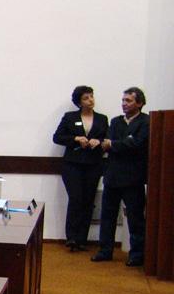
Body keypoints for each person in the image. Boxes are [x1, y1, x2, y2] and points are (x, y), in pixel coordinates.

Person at [92, 87, 150, 266]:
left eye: (128, 101)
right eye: (123, 100)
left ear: (139, 103)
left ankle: (137, 254)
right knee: (107, 216)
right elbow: (107, 142)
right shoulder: (116, 121)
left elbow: (137, 144)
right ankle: (105, 250)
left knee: (135, 218)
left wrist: (114, 145)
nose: (124, 104)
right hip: (112, 176)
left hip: (133, 178)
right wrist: (120, 144)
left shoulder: (146, 121)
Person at [52, 86, 108, 251]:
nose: (90, 100)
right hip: (73, 164)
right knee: (76, 198)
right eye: (86, 98)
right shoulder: (70, 117)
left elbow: (107, 137)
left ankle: (82, 239)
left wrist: (98, 141)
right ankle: (72, 237)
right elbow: (57, 137)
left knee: (88, 200)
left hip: (93, 164)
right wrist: (76, 139)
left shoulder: (102, 118)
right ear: (79, 102)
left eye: (91, 96)